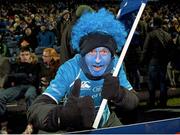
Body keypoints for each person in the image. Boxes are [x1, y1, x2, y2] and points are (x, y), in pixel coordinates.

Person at [27, 8, 139, 133]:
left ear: (112, 55)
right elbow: (35, 109)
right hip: (73, 128)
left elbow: (133, 101)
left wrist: (120, 94)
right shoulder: (70, 69)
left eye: (104, 51)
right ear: (83, 54)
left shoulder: (115, 64)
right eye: (91, 51)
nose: (98, 59)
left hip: (107, 122)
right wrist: (63, 116)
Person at [0, 46, 40, 126]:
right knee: (1, 96)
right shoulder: (15, 65)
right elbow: (10, 77)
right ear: (19, 56)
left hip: (31, 87)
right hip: (18, 87)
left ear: (30, 55)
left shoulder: (36, 65)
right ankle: (3, 122)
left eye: (26, 54)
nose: (24, 57)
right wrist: (25, 76)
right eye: (22, 55)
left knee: (29, 95)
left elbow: (33, 80)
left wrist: (18, 76)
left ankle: (31, 123)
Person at [140, 16, 173, 108]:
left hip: (153, 61)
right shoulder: (167, 35)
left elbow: (145, 50)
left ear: (154, 23)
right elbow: (171, 49)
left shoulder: (151, 34)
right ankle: (163, 102)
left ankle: (152, 101)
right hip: (163, 61)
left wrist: (141, 61)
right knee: (163, 82)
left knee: (152, 82)